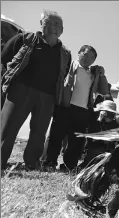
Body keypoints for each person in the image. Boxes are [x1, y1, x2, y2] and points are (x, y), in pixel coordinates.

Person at [1, 10, 72, 170]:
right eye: (50, 22)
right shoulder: (25, 39)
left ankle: (32, 163)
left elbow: (63, 73)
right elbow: (4, 57)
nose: (54, 27)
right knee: (8, 127)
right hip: (21, 90)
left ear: (62, 29)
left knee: (39, 133)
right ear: (42, 24)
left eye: (58, 24)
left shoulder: (65, 53)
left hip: (47, 96)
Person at [42, 45, 109, 172]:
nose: (87, 59)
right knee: (56, 136)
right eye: (85, 54)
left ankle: (68, 166)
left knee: (76, 141)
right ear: (79, 53)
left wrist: (102, 75)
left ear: (94, 61)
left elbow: (104, 91)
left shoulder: (93, 73)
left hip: (83, 110)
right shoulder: (69, 65)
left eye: (91, 58)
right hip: (65, 106)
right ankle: (49, 162)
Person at [79, 100, 119, 168]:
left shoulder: (114, 124)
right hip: (96, 148)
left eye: (111, 114)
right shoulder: (96, 122)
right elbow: (92, 136)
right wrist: (99, 120)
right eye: (108, 113)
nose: (110, 116)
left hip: (109, 150)